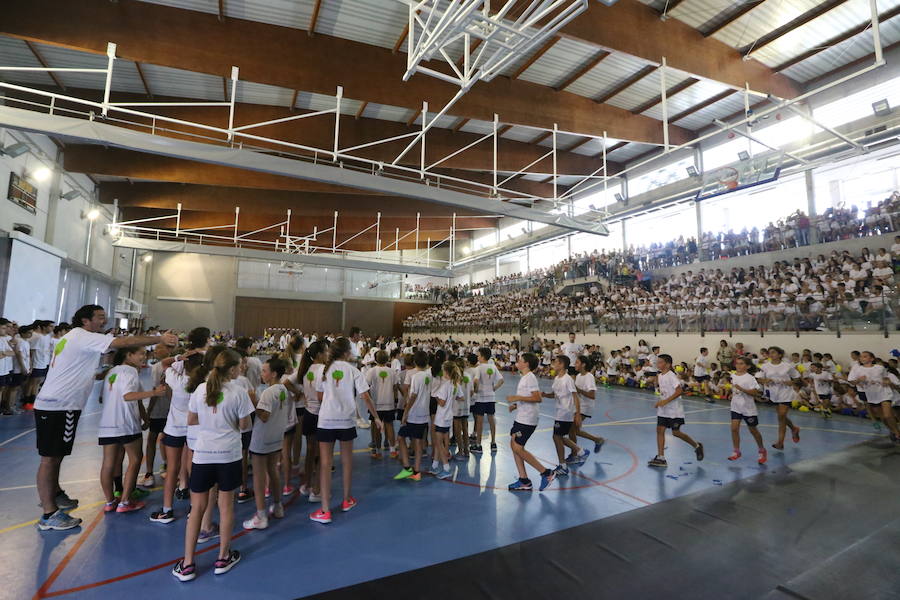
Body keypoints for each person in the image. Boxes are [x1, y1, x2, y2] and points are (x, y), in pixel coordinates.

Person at [34, 305, 176, 531]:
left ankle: (55, 494)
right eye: (100, 317)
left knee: (56, 456)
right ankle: (49, 513)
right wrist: (159, 337)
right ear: (85, 320)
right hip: (60, 406)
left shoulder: (75, 338)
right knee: (49, 458)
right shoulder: (82, 336)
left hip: (56, 405)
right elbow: (120, 343)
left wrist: (102, 374)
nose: (104, 321)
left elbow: (80, 369)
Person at [173, 349, 253, 581]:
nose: (241, 369)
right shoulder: (239, 392)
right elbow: (245, 425)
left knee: (197, 508)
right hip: (229, 455)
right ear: (231, 369)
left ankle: (188, 563)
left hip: (203, 454)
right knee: (226, 506)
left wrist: (210, 421)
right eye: (239, 366)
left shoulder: (200, 389)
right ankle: (223, 557)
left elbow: (191, 419)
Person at [309, 338, 382, 525]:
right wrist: (376, 417)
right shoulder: (354, 371)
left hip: (326, 421)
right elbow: (365, 396)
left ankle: (325, 510)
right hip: (346, 422)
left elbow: (319, 396)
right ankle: (347, 500)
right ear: (346, 352)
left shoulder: (323, 370)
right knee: (346, 461)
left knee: (325, 464)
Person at [99, 346, 167, 513]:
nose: (144, 357)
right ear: (128, 354)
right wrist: (154, 393)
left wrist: (145, 418)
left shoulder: (110, 373)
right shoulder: (130, 371)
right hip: (126, 423)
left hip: (107, 424)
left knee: (109, 462)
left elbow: (103, 398)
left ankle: (110, 502)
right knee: (135, 459)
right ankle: (125, 502)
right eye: (141, 353)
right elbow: (128, 396)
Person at [151, 352, 204, 524]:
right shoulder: (202, 385)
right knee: (193, 469)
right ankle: (193, 508)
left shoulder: (177, 380)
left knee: (173, 469)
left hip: (175, 428)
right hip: (194, 430)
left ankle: (167, 510)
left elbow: (163, 362)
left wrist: (179, 357)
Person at [243, 357, 290, 530]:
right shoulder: (283, 389)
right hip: (276, 437)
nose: (261, 374)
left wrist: (253, 401)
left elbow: (264, 415)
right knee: (273, 471)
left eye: (264, 371)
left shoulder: (268, 393)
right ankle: (278, 506)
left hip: (262, 439)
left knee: (259, 476)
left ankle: (261, 515)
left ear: (274, 373)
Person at [507, 353, 555, 492]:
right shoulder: (525, 378)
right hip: (522, 416)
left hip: (527, 419)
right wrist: (516, 405)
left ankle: (546, 473)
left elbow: (537, 398)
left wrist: (516, 397)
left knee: (517, 448)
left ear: (526, 364)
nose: (518, 361)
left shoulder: (530, 378)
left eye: (520, 360)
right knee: (514, 444)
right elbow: (529, 397)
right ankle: (524, 480)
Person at [648, 354, 704, 468]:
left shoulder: (671, 376)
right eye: (657, 362)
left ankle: (697, 446)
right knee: (659, 430)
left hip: (674, 410)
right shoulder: (660, 375)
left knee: (676, 433)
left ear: (668, 364)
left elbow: (679, 391)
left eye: (660, 362)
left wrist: (665, 401)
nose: (657, 364)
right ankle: (661, 457)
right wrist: (661, 401)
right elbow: (665, 392)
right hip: (663, 409)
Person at [543, 355, 588, 478]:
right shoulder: (557, 378)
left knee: (557, 437)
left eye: (556, 362)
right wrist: (545, 395)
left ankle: (570, 460)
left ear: (562, 365)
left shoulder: (568, 379)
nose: (553, 364)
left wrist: (577, 414)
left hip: (566, 412)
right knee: (558, 437)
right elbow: (555, 395)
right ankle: (578, 453)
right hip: (559, 412)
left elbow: (575, 396)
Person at [848, 351, 900, 443]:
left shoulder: (880, 368)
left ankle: (897, 433)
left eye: (865, 356)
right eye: (861, 357)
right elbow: (851, 382)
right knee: (883, 417)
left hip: (884, 393)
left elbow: (885, 377)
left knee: (888, 415)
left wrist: (887, 382)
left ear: (871, 358)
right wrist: (859, 380)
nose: (862, 358)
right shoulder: (857, 369)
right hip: (872, 395)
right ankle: (893, 431)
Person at [394, 351, 430, 481]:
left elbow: (413, 396)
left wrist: (405, 412)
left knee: (400, 438)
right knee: (418, 441)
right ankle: (417, 471)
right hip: (424, 414)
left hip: (414, 414)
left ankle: (407, 468)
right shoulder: (428, 376)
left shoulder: (416, 377)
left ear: (415, 362)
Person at [756, 347, 801, 450]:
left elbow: (797, 378)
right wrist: (765, 381)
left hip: (786, 392)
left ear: (780, 355)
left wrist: (792, 382)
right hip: (773, 393)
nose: (771, 354)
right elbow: (758, 378)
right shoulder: (765, 366)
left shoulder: (787, 366)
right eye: (769, 353)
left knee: (781, 416)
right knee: (782, 417)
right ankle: (794, 429)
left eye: (773, 352)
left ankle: (780, 443)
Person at [298, 341, 327, 502]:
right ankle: (316, 491)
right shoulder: (322, 370)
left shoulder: (306, 369)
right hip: (320, 415)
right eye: (326, 351)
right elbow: (322, 395)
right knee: (321, 454)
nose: (328, 354)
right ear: (319, 355)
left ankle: (306, 485)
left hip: (309, 414)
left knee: (310, 452)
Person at [141, 343, 172, 488]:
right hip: (160, 409)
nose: (157, 351)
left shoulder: (173, 365)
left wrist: (148, 411)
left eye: (160, 348)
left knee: (166, 439)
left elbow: (156, 389)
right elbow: (155, 389)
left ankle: (169, 468)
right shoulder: (156, 367)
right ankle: (149, 472)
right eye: (156, 349)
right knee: (153, 439)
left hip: (169, 410)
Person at [728, 357, 767, 464]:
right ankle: (736, 451)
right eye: (737, 363)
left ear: (748, 366)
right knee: (734, 429)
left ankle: (762, 450)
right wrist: (732, 394)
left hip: (748, 408)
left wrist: (742, 389)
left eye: (741, 364)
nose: (738, 366)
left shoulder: (750, 378)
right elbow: (734, 388)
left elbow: (755, 393)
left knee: (753, 430)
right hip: (735, 407)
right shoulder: (733, 375)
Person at [430, 360, 462, 479]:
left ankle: (446, 468)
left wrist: (437, 398)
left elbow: (442, 403)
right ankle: (434, 465)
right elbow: (461, 397)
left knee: (439, 443)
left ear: (446, 372)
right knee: (441, 441)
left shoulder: (445, 386)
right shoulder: (455, 385)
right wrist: (452, 398)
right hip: (449, 416)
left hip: (441, 417)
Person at [365, 351, 398, 460]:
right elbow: (395, 387)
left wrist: (370, 400)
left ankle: (378, 451)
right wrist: (395, 400)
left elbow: (366, 387)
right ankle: (393, 450)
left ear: (375, 360)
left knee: (377, 427)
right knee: (390, 426)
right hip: (389, 403)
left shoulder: (371, 371)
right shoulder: (392, 371)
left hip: (376, 405)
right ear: (387, 359)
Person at [472, 347, 504, 454]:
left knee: (480, 422)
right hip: (491, 397)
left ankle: (478, 445)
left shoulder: (479, 368)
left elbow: (476, 380)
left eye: (478, 355)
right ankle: (493, 443)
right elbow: (501, 380)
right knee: (491, 420)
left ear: (482, 356)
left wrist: (475, 390)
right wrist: (494, 388)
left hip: (481, 398)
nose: (477, 357)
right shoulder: (493, 367)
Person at [571, 355, 605, 456]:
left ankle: (575, 453)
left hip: (585, 407)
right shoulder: (578, 376)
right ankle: (597, 440)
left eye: (577, 362)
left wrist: (578, 390)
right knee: (575, 431)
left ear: (583, 364)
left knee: (571, 429)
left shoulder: (589, 377)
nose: (575, 364)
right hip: (578, 406)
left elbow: (592, 395)